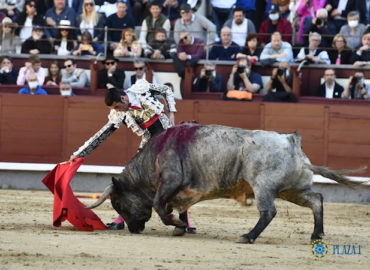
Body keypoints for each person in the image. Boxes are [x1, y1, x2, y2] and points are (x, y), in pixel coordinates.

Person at [68, 79, 195, 234]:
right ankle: (120, 220)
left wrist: (172, 114)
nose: (118, 110)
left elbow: (166, 90)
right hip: (149, 145)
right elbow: (100, 135)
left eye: (117, 107)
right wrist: (79, 153)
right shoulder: (118, 115)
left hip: (168, 138)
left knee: (179, 178)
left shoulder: (141, 88)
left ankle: (185, 221)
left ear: (123, 98)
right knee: (131, 182)